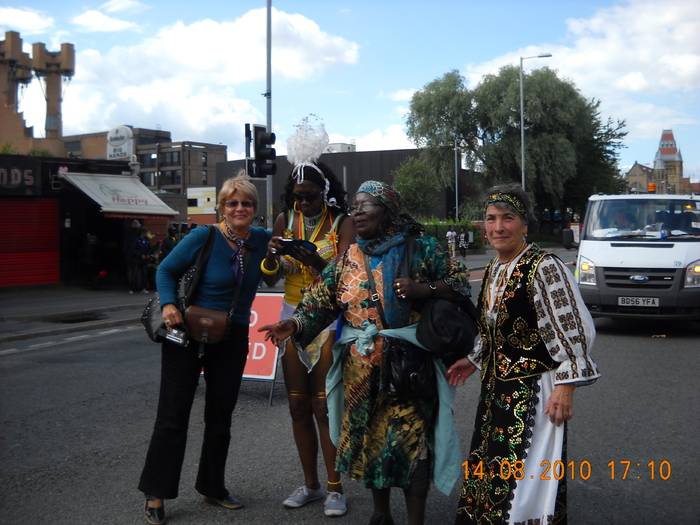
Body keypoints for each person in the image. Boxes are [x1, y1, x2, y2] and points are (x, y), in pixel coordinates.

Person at [260, 180, 471, 525]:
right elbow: (320, 301)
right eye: (354, 206)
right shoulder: (348, 258)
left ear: (387, 211)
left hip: (408, 366)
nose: (356, 213)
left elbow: (460, 283)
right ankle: (380, 515)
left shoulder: (420, 248)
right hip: (359, 369)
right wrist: (295, 325)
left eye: (365, 206)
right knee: (372, 443)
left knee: (410, 443)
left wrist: (423, 288)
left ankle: (416, 519)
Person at [446, 183, 600, 525]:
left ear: (524, 224)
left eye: (507, 218)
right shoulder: (492, 269)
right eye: (490, 218)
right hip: (496, 391)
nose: (498, 226)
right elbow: (495, 330)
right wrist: (473, 360)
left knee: (527, 483)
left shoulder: (544, 266)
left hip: (536, 392)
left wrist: (567, 385)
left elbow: (576, 328)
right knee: (491, 469)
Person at [137, 173, 271, 525]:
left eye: (246, 203)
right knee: (173, 414)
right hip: (186, 331)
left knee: (221, 416)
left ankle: (212, 486)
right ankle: (156, 492)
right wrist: (168, 305)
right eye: (233, 202)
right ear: (222, 208)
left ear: (255, 209)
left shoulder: (262, 241)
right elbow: (165, 270)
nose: (239, 208)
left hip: (233, 335)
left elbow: (299, 251)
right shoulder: (204, 235)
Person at [260, 118, 355, 517]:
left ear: (326, 193)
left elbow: (349, 279)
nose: (303, 203)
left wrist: (316, 261)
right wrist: (271, 256)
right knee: (297, 405)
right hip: (290, 315)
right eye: (298, 196)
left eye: (311, 196)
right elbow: (271, 276)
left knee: (323, 407)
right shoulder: (286, 221)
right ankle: (311, 484)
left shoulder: (342, 224)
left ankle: (335, 487)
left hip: (329, 321)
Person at [130, 227, 152, 294]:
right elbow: (133, 249)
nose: (147, 234)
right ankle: (132, 288)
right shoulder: (136, 239)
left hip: (144, 259)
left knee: (144, 274)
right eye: (146, 232)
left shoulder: (147, 240)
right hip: (137, 259)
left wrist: (148, 254)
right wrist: (140, 255)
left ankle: (143, 288)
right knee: (135, 274)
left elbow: (149, 248)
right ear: (143, 233)